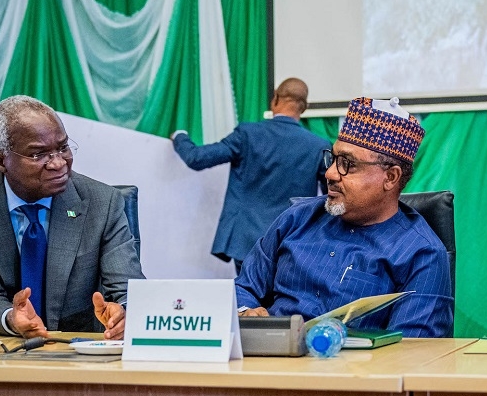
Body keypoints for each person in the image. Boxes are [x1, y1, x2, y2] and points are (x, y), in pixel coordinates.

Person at [235, 96, 454, 338]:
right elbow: (244, 288)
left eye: (347, 164)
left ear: (390, 178)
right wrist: (245, 312)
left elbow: (409, 353)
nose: (330, 173)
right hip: (269, 365)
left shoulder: (421, 254)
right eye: (333, 158)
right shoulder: (296, 219)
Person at [0, 95, 144, 340]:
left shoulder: (102, 202)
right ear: (0, 160)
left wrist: (124, 314)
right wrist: (11, 318)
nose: (58, 163)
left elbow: (128, 290)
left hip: (78, 345)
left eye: (63, 147)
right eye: (38, 155)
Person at [171, 78, 330, 271]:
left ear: (275, 99)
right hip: (292, 240)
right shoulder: (318, 146)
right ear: (304, 108)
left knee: (248, 299)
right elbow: (332, 194)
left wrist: (179, 136)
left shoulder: (247, 134)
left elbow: (197, 158)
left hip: (246, 242)